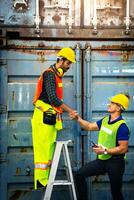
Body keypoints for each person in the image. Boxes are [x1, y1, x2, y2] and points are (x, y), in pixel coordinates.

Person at [31, 47, 77, 190]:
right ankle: (41, 180)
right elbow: (53, 98)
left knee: (48, 148)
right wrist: (70, 111)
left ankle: (45, 180)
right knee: (43, 150)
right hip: (43, 118)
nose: (69, 66)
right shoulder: (50, 74)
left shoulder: (57, 75)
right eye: (68, 63)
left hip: (48, 118)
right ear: (61, 60)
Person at [70, 93, 130, 200]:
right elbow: (89, 126)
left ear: (119, 107)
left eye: (112, 103)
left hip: (116, 163)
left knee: (116, 193)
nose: (109, 104)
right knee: (79, 175)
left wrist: (105, 151)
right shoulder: (105, 120)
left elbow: (123, 148)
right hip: (102, 160)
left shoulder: (122, 126)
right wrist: (77, 119)